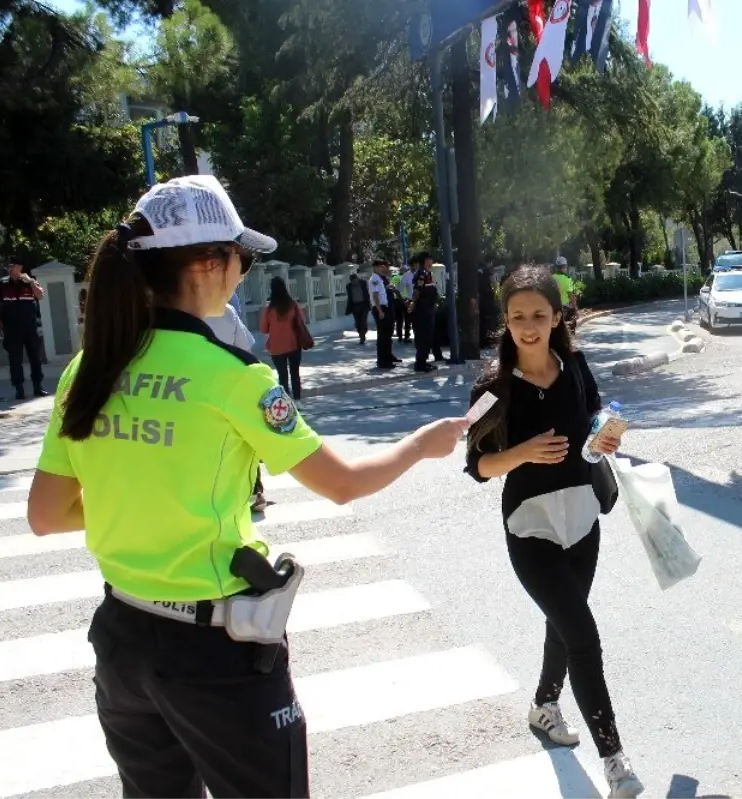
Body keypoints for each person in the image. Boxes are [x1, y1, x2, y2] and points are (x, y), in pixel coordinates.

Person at [25, 174, 468, 799]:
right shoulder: (234, 375)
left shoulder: (88, 365)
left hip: (122, 638)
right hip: (213, 654)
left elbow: (46, 514)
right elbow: (342, 483)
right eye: (241, 256)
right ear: (210, 263)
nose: (243, 271)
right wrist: (423, 444)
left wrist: (144, 501)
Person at [464, 266, 645, 799]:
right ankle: (615, 761)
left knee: (565, 623)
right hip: (530, 529)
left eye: (538, 315)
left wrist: (602, 436)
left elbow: (591, 417)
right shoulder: (491, 387)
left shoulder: (577, 367)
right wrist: (520, 453)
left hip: (583, 521)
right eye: (517, 316)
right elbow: (475, 465)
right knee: (583, 635)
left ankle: (545, 707)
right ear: (506, 319)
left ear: (556, 317)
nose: (528, 325)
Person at [0, 255, 48, 399]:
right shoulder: (3, 283)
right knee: (15, 359)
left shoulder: (29, 283)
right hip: (11, 327)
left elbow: (40, 295)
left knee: (35, 357)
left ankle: (38, 386)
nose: (10, 269)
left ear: (20, 268)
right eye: (9, 266)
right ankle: (19, 389)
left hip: (29, 326)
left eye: (13, 266)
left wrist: (30, 282)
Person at [259, 275, 307, 406]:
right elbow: (302, 321)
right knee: (295, 373)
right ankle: (298, 401)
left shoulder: (269, 309)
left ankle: (286, 404)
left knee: (283, 377)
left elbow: (263, 329)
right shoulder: (293, 305)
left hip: (276, 348)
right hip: (294, 345)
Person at [407, 251, 440, 372]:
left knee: (428, 336)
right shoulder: (421, 274)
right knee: (423, 337)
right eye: (429, 260)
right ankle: (420, 363)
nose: (431, 262)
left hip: (428, 308)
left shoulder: (427, 273)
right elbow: (417, 291)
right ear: (424, 261)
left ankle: (423, 361)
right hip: (423, 310)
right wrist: (413, 304)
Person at [369, 259, 398, 369]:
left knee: (387, 335)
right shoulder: (374, 279)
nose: (384, 268)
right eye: (381, 266)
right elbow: (375, 295)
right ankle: (382, 361)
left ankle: (387, 358)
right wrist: (380, 310)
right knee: (383, 336)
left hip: (385, 307)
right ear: (375, 267)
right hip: (380, 309)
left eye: (384, 266)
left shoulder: (381, 279)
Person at [554, 257, 579, 333]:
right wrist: (576, 309)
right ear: (565, 266)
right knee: (569, 329)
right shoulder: (567, 279)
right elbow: (571, 295)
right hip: (565, 308)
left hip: (554, 308)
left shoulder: (551, 278)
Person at [346, 273, 370, 344]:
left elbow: (367, 293)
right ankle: (361, 334)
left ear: (357, 279)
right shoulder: (349, 286)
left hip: (363, 305)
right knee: (357, 322)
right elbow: (349, 297)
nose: (354, 282)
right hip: (355, 306)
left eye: (355, 280)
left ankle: (362, 336)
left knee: (363, 321)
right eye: (352, 281)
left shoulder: (363, 283)